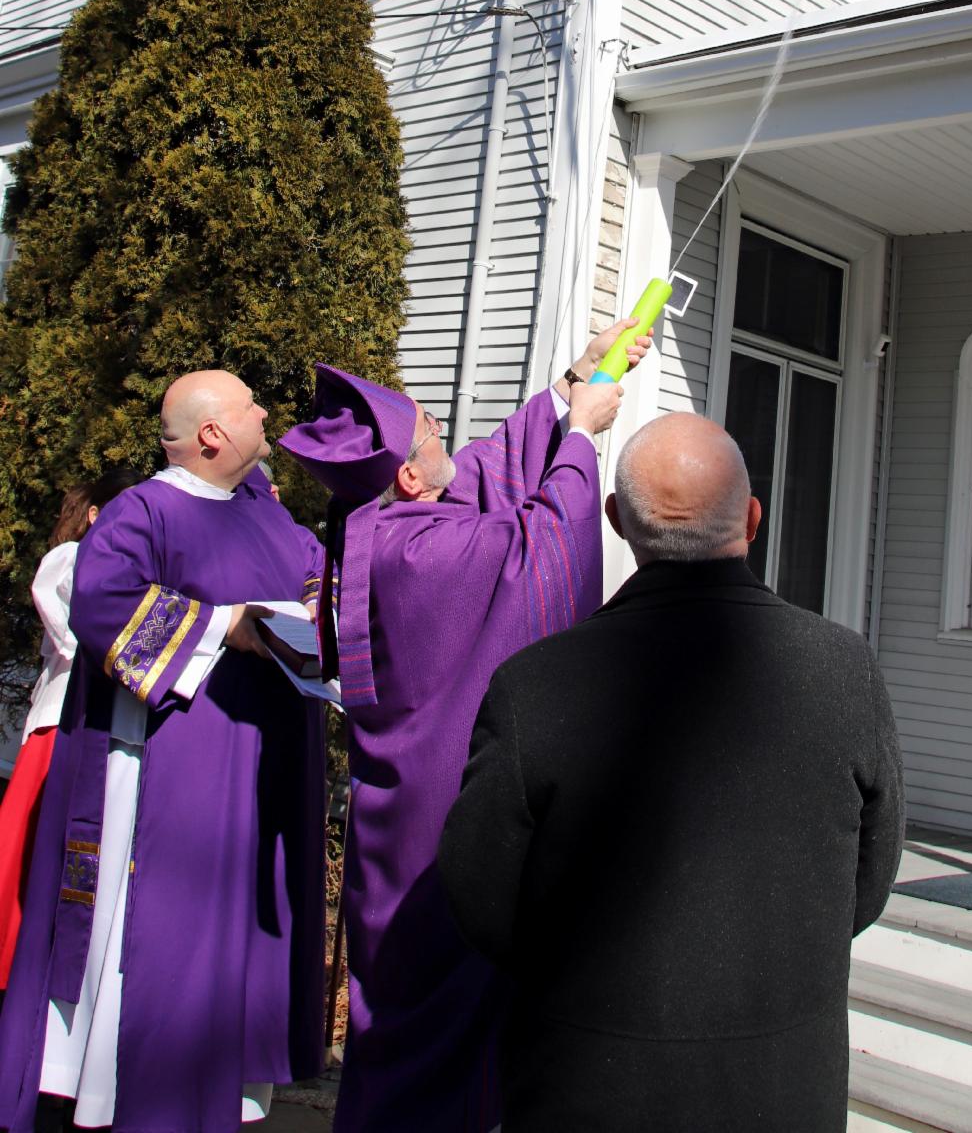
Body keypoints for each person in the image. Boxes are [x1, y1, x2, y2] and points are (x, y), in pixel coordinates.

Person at [438, 410, 906, 1133]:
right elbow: (870, 880)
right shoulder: (845, 670)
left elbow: (480, 890)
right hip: (785, 1082)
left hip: (587, 1080)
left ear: (615, 520)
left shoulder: (535, 683)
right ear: (752, 519)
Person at [279, 320, 649, 1133]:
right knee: (434, 1026)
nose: (447, 427)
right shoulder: (422, 554)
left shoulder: (380, 523)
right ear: (409, 476)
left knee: (402, 1009)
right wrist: (581, 437)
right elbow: (541, 546)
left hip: (399, 809)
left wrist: (575, 378)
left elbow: (484, 468)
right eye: (429, 428)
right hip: (442, 815)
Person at [0, 372, 327, 1133]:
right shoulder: (144, 510)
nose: (266, 412)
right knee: (156, 938)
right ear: (212, 433)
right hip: (165, 772)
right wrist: (227, 627)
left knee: (233, 934)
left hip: (260, 768)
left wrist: (319, 608)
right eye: (251, 405)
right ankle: (129, 1095)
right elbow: (103, 602)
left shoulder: (268, 517)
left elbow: (318, 574)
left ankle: (217, 1090)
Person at [0, 472, 137, 991]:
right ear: (97, 514)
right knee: (31, 841)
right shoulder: (72, 557)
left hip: (97, 721)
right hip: (60, 719)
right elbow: (72, 635)